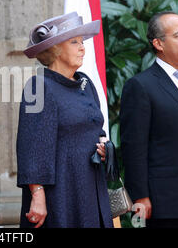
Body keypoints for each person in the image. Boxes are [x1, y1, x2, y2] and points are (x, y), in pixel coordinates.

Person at [16, 12, 113, 228]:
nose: (82, 48)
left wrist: (106, 149)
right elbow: (31, 147)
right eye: (74, 42)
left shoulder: (86, 83)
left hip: (91, 185)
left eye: (82, 42)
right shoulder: (38, 87)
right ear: (56, 49)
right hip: (61, 192)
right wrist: (37, 195)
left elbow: (97, 129)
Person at [120, 11, 178, 228]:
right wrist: (140, 196)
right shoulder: (140, 86)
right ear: (158, 43)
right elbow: (134, 148)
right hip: (164, 204)